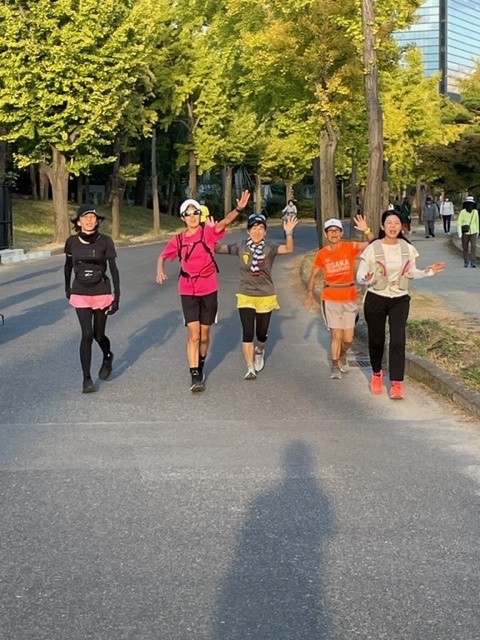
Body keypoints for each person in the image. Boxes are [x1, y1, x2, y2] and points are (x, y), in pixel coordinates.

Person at [157, 190, 251, 392]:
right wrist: (160, 270)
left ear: (199, 215)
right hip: (187, 289)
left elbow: (224, 222)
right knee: (194, 333)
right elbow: (163, 256)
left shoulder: (207, 233)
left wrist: (238, 209)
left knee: (205, 335)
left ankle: (200, 361)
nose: (192, 217)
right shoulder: (178, 240)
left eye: (195, 213)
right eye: (188, 214)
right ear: (183, 218)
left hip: (208, 288)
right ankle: (194, 374)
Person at [356, 210, 445, 400]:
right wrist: (366, 278)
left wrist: (427, 272)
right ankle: (377, 374)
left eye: (397, 223)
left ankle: (396, 382)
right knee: (377, 339)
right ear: (382, 226)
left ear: (401, 226)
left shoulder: (407, 248)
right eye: (389, 223)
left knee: (398, 339)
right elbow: (360, 275)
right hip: (376, 297)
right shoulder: (373, 248)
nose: (393, 226)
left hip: (400, 298)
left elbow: (411, 273)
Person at [215, 213, 298, 380]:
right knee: (247, 332)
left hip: (265, 294)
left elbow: (288, 249)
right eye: (254, 228)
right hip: (246, 293)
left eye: (261, 228)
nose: (257, 231)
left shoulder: (270, 247)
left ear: (265, 232)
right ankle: (250, 367)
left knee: (261, 333)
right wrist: (214, 233)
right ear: (248, 231)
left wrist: (289, 233)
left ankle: (259, 350)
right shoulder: (241, 246)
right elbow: (218, 249)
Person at [304, 216, 375, 379]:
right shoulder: (321, 254)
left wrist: (366, 229)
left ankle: (342, 354)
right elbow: (314, 275)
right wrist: (310, 292)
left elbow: (373, 244)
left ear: (341, 233)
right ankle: (335, 365)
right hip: (330, 297)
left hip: (349, 297)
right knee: (337, 334)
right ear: (326, 234)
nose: (333, 233)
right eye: (330, 231)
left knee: (348, 338)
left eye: (336, 230)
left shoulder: (350, 247)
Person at [64, 204, 120, 394]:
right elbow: (67, 266)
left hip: (101, 291)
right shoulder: (71, 242)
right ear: (78, 222)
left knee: (98, 335)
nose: (89, 220)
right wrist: (68, 289)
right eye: (85, 217)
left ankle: (107, 356)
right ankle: (86, 379)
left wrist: (117, 296)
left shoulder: (105, 241)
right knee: (86, 334)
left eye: (92, 217)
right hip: (80, 291)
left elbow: (113, 269)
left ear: (97, 221)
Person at [457, 196, 479, 267]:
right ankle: (466, 261)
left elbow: (477, 222)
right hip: (465, 232)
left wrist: (478, 231)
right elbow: (459, 222)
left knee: (473, 246)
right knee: (465, 247)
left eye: (471, 204)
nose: (470, 206)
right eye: (468, 204)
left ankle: (473, 261)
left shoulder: (475, 212)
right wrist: (459, 232)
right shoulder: (462, 212)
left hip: (474, 231)